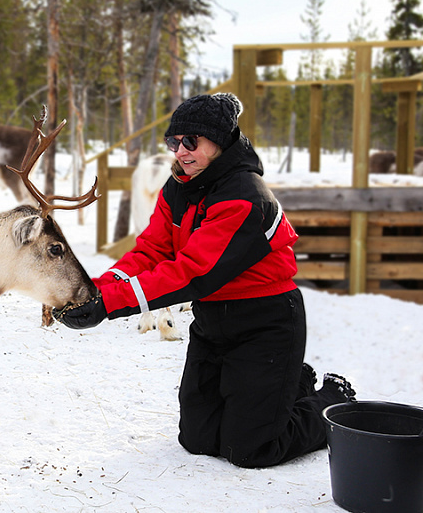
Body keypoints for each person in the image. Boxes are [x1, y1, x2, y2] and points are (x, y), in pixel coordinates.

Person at [55, 92, 356, 468]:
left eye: (191, 141)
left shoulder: (245, 198)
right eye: (174, 142)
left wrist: (110, 305)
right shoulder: (179, 187)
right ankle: (290, 383)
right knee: (198, 439)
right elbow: (152, 251)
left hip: (265, 325)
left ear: (221, 141)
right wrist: (95, 290)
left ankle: (331, 399)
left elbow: (193, 271)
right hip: (213, 325)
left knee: (250, 449)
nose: (181, 151)